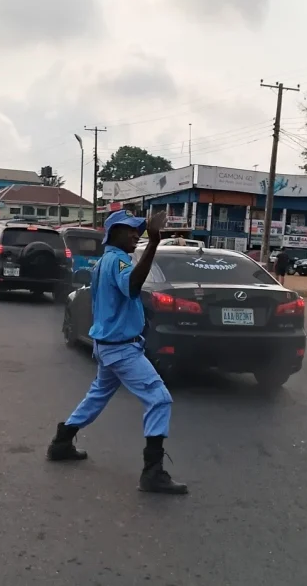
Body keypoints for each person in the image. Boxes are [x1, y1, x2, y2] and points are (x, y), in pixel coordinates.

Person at [46, 209, 188, 495]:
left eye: (139, 230)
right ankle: (152, 473)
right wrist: (154, 242)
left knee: (97, 396)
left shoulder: (105, 261)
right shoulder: (118, 260)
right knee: (159, 399)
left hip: (109, 345)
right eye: (130, 230)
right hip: (121, 349)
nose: (136, 234)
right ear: (113, 234)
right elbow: (133, 285)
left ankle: (62, 441)